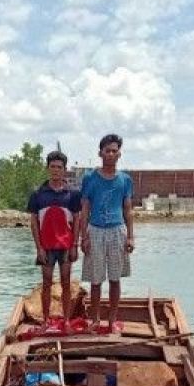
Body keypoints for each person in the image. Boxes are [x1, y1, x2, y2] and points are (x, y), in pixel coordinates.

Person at [78, 133, 134, 333]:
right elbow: (84, 209)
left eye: (114, 150)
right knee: (95, 279)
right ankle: (95, 320)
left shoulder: (125, 180)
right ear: (100, 153)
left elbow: (127, 209)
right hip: (95, 231)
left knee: (115, 279)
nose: (111, 154)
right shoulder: (90, 178)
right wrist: (83, 237)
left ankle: (112, 321)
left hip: (117, 231)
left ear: (119, 154)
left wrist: (130, 236)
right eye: (107, 150)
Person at [27, 150, 82, 329]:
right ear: (48, 168)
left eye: (59, 167)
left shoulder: (73, 194)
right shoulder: (38, 194)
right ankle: (45, 320)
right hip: (46, 247)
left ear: (65, 169)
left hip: (66, 246)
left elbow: (77, 220)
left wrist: (75, 244)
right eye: (53, 167)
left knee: (66, 283)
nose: (56, 170)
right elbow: (34, 222)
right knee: (46, 283)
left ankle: (66, 320)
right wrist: (39, 248)